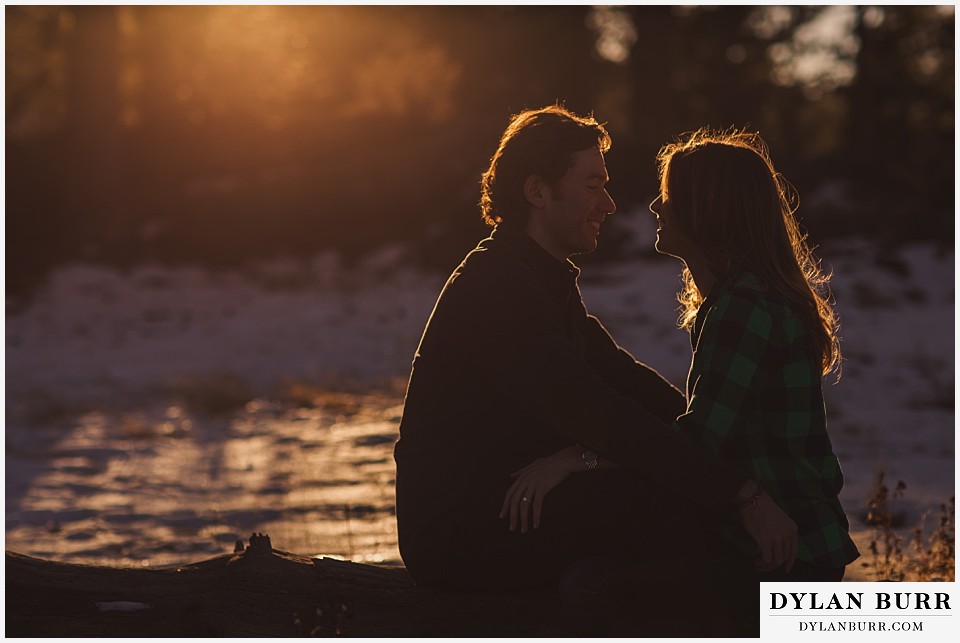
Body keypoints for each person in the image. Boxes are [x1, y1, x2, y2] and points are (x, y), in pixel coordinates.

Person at [392, 105, 797, 629]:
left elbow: (625, 382)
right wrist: (740, 493)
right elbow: (597, 411)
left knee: (681, 495)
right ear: (538, 192)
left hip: (517, 501)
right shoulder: (496, 289)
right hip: (463, 529)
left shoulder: (539, 278)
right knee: (670, 504)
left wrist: (733, 462)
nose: (608, 204)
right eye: (592, 186)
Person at [647, 128, 859, 586]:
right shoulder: (740, 300)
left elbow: (699, 442)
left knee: (593, 587)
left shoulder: (743, 309)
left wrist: (585, 458)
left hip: (784, 554)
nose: (656, 207)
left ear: (706, 210)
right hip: (793, 541)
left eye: (668, 194)